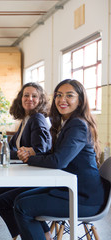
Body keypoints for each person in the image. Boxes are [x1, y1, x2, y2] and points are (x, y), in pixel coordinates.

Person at [14, 79, 109, 240]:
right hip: (70, 188)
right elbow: (55, 156)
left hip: (85, 198)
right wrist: (34, 154)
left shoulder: (78, 125)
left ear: (80, 100)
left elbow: (58, 161)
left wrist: (29, 158)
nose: (61, 100)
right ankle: (45, 236)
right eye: (58, 95)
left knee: (22, 206)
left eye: (69, 95)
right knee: (19, 199)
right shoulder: (67, 122)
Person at [0, 82, 52, 239]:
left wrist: (6, 152)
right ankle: (37, 233)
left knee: (1, 201)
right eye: (26, 95)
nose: (29, 98)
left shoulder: (37, 119)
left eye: (34, 96)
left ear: (41, 100)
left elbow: (39, 150)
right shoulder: (26, 119)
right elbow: (12, 148)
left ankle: (37, 234)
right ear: (20, 99)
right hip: (26, 174)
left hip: (37, 178)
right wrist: (0, 147)